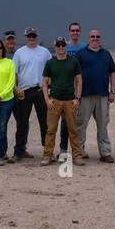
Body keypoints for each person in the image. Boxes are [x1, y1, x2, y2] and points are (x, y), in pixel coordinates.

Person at [40, 37, 85, 166]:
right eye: (58, 45)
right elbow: (44, 82)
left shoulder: (73, 61)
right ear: (55, 47)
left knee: (73, 130)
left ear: (66, 46)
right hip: (55, 101)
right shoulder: (50, 63)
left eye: (63, 45)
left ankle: (77, 155)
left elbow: (79, 80)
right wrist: (47, 99)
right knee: (51, 130)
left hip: (70, 101)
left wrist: (77, 98)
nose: (61, 47)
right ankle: (47, 155)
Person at [76, 29, 115, 162]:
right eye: (92, 36)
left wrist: (112, 91)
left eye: (97, 36)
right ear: (88, 38)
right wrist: (76, 95)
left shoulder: (106, 54)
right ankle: (79, 151)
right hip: (84, 95)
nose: (95, 38)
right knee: (81, 124)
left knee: (103, 125)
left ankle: (105, 153)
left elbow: (113, 73)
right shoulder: (80, 54)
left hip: (103, 95)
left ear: (100, 38)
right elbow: (75, 75)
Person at [12, 27, 51, 160]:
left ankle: (47, 152)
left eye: (33, 36)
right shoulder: (19, 53)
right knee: (22, 123)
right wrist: (15, 88)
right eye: (29, 36)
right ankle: (19, 151)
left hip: (40, 90)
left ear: (36, 36)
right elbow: (14, 73)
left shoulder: (45, 52)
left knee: (45, 122)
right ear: (25, 37)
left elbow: (52, 69)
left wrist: (48, 85)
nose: (31, 38)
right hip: (24, 91)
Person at [56, 22, 85, 154]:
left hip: (79, 90)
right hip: (65, 90)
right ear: (69, 32)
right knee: (64, 122)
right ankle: (63, 148)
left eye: (77, 30)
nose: (75, 32)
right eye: (72, 30)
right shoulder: (63, 46)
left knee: (78, 122)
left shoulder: (85, 47)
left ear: (80, 32)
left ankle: (79, 148)